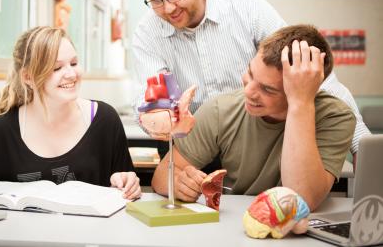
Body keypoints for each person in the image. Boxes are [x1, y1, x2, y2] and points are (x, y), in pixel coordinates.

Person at [132, 0, 369, 162]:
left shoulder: (247, 8)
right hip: (192, 147)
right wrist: (155, 118)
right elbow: (153, 97)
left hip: (256, 142)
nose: (169, 8)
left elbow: (309, 74)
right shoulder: (147, 32)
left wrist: (362, 146)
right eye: (156, 0)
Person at [151, 25, 355, 211]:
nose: (248, 92)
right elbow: (161, 176)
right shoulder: (221, 109)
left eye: (267, 89)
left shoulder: (336, 117)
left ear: (306, 88)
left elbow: (300, 199)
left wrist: (300, 103)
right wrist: (178, 184)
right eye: (250, 72)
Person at [0, 26, 141, 200]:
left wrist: (128, 182)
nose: (71, 74)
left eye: (74, 63)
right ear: (28, 77)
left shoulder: (104, 119)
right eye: (57, 68)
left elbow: (124, 178)